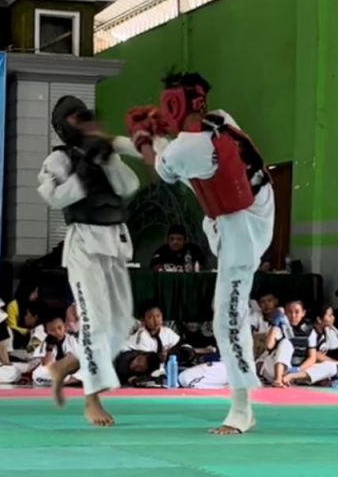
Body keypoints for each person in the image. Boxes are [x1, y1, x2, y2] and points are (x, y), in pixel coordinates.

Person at [130, 71, 274, 436]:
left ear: (175, 104)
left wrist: (146, 140)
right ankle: (243, 406)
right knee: (228, 315)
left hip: (242, 227)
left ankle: (242, 411)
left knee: (227, 319)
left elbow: (163, 167)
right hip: (244, 213)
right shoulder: (221, 119)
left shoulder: (187, 149)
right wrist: (158, 136)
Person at [36, 95, 141, 426]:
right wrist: (84, 168)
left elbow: (129, 185)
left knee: (121, 324)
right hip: (84, 244)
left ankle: (69, 364)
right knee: (94, 323)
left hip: (115, 240)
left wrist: (106, 158)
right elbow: (54, 196)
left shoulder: (103, 149)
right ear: (63, 125)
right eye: (74, 118)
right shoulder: (59, 158)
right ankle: (91, 400)